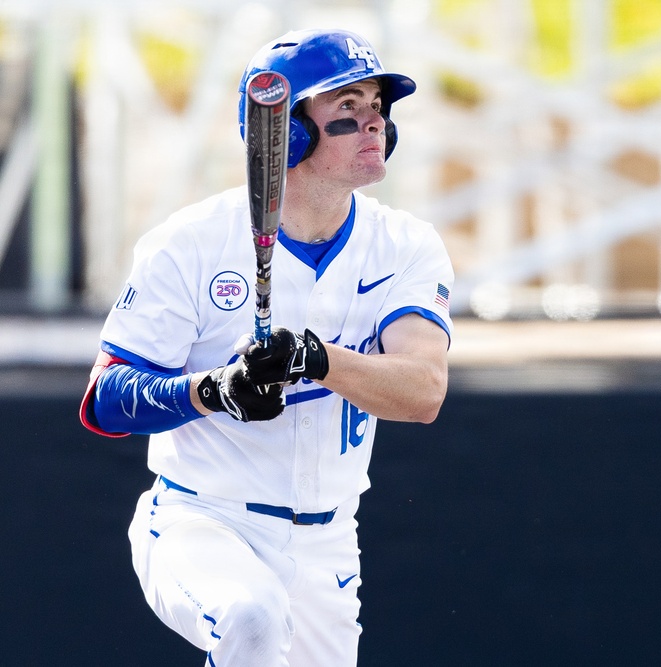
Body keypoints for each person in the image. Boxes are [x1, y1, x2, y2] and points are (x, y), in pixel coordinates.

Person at [78, 28, 453, 666]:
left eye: (378, 109)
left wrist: (317, 358)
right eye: (347, 109)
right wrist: (214, 390)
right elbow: (105, 400)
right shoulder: (189, 242)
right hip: (204, 521)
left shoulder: (406, 245)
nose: (374, 125)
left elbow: (422, 393)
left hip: (328, 540)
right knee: (250, 618)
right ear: (289, 132)